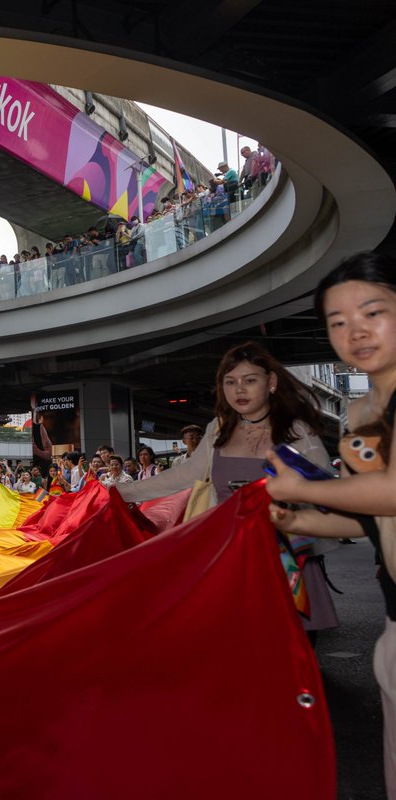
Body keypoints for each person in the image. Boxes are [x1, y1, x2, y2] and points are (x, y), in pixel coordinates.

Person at [265, 253, 396, 794]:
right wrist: (296, 518)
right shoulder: (367, 414)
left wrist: (303, 489)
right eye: (337, 322)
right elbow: (370, 518)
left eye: (372, 312)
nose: (354, 331)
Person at [115, 341, 334, 632]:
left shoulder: (296, 431)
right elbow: (184, 475)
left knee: (284, 660)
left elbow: (328, 495)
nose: (239, 389)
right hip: (229, 557)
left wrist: (287, 500)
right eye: (230, 382)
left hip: (284, 562)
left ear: (271, 382)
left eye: (249, 380)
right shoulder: (219, 429)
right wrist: (120, 493)